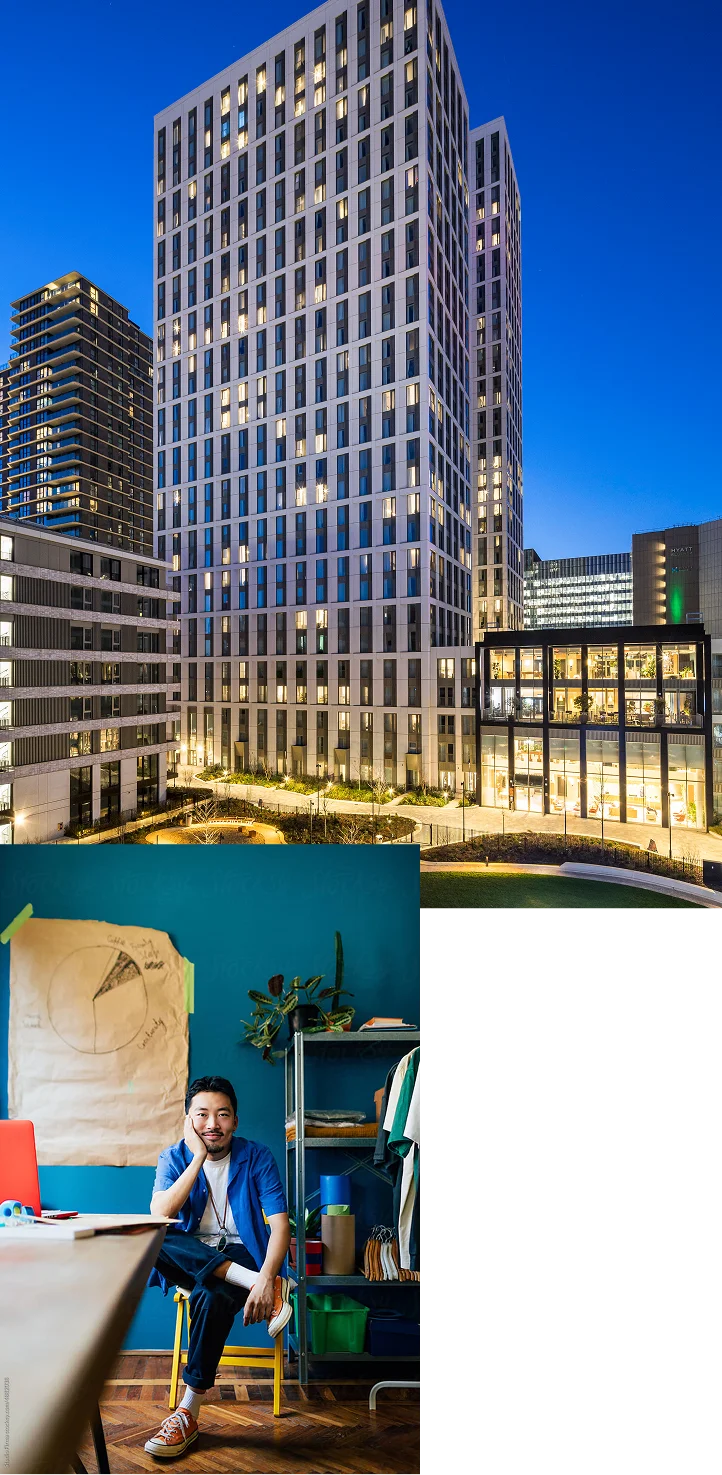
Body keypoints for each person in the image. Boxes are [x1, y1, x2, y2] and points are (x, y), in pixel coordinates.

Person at [143, 1075, 292, 1459]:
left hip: (244, 1254)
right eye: (203, 1114)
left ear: (235, 1121)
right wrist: (196, 1158)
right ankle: (253, 1283)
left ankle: (187, 1412)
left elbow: (280, 1226)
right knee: (154, 1233)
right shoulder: (173, 1157)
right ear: (188, 1120)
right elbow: (161, 1214)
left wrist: (268, 1274)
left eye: (222, 1114)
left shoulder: (256, 1157)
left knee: (212, 1294)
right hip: (192, 1253)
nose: (213, 1123)